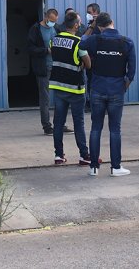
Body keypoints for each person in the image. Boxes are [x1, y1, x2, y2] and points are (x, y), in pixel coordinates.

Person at [79, 12, 135, 177]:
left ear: (99, 27)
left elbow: (81, 44)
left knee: (96, 128)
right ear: (112, 22)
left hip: (97, 88)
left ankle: (94, 167)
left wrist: (90, 29)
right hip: (116, 89)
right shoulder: (126, 42)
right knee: (115, 129)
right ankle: (116, 167)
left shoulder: (94, 39)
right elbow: (131, 72)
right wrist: (123, 87)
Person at [49, 11, 93, 165]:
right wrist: (80, 63)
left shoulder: (54, 39)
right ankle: (84, 155)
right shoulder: (78, 42)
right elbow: (88, 64)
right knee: (78, 123)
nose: (80, 24)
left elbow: (52, 52)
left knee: (58, 123)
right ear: (75, 25)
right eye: (79, 22)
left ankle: (58, 155)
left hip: (58, 87)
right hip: (75, 89)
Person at [27, 8, 60, 135]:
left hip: (57, 66)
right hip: (43, 67)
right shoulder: (35, 29)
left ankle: (60, 124)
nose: (53, 23)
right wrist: (46, 51)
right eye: (51, 20)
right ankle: (47, 126)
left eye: (55, 21)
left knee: (60, 97)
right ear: (46, 17)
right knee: (45, 98)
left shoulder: (56, 28)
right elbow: (30, 48)